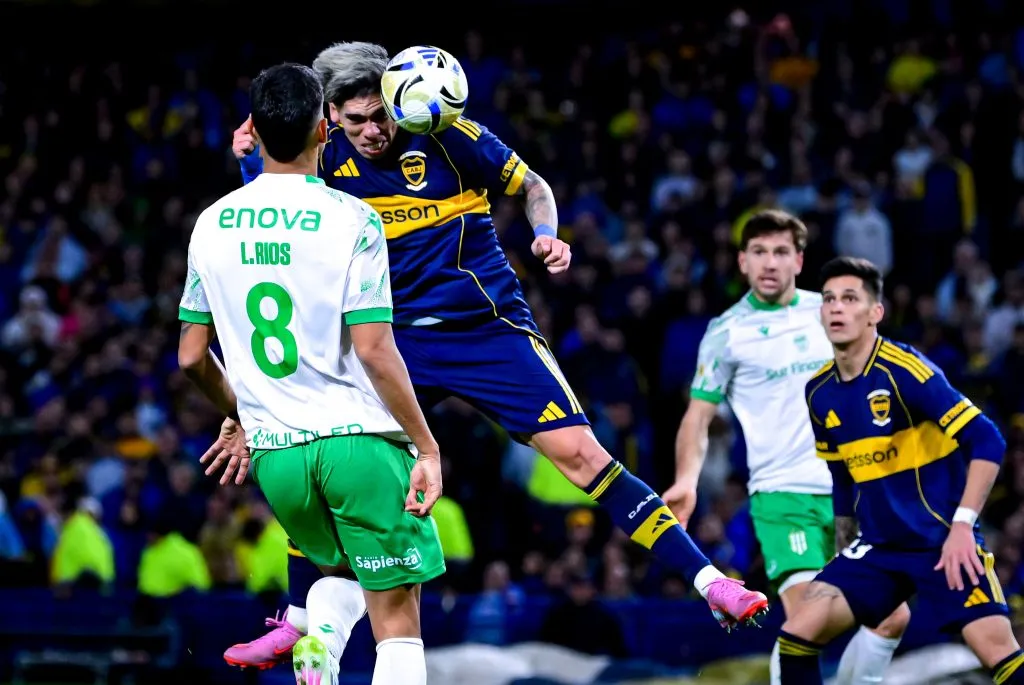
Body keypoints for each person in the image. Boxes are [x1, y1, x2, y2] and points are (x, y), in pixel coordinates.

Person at [215, 40, 768, 670]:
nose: (373, 131)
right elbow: (280, 235)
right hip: (391, 344)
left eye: (382, 115)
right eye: (356, 120)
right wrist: (249, 164)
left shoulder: (450, 135)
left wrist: (546, 234)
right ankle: (297, 621)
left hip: (487, 330)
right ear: (330, 119)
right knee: (326, 454)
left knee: (583, 456)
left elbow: (534, 186)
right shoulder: (324, 161)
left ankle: (710, 584)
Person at [177, 62, 445, 685]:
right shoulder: (353, 218)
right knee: (398, 618)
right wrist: (427, 447)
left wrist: (242, 415)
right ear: (325, 128)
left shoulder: (211, 223)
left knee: (344, 575)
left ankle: (321, 638)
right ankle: (322, 637)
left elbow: (191, 357)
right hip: (358, 443)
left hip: (278, 460)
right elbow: (375, 348)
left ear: (254, 128)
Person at [663, 211, 909, 685]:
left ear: (798, 260)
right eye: (759, 252)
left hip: (853, 492)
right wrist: (687, 481)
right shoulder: (726, 332)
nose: (769, 263)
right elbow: (698, 416)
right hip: (783, 497)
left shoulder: (830, 313)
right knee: (807, 624)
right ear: (742, 261)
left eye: (780, 252)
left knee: (892, 617)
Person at [776, 257, 1024, 684]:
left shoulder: (905, 370)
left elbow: (988, 440)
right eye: (829, 299)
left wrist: (962, 526)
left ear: (875, 312)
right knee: (797, 634)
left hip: (940, 541)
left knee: (997, 652)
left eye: (850, 298)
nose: (836, 308)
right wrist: (843, 540)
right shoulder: (819, 392)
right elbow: (841, 475)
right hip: (879, 547)